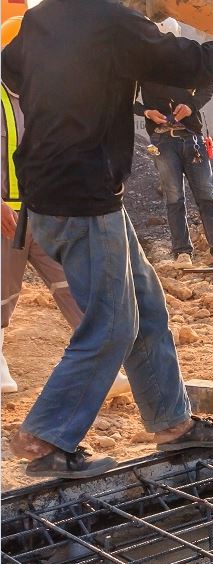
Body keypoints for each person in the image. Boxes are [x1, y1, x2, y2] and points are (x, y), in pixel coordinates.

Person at [1, 1, 213, 478]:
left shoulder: (43, 19)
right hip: (84, 198)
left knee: (146, 304)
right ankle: (48, 436)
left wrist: (111, 88)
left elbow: (14, 75)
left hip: (50, 193)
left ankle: (172, 424)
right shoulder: (113, 22)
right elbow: (198, 64)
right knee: (113, 324)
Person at [1, 15, 129, 396]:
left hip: (44, 206)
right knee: (4, 288)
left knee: (71, 283)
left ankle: (100, 367)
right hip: (6, 211)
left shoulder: (42, 92)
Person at [137, 18, 213, 268]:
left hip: (191, 139)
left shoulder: (189, 60)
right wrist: (147, 112)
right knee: (174, 197)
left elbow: (207, 87)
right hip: (162, 140)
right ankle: (182, 253)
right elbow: (125, 100)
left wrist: (191, 106)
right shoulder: (140, 66)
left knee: (206, 195)